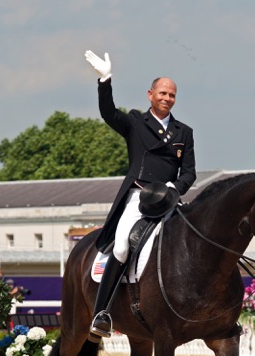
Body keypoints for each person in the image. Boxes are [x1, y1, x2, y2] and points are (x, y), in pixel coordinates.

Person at [85, 50, 196, 340]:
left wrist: (176, 187)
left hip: (169, 199)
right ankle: (102, 313)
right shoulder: (135, 122)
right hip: (139, 197)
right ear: (150, 94)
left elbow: (189, 173)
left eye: (172, 95)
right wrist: (105, 79)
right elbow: (108, 113)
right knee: (122, 247)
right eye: (162, 93)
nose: (167, 98)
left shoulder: (185, 132)